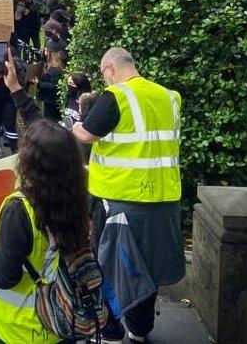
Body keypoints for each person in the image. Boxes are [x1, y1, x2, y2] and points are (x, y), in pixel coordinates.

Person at [71, 47, 184, 343]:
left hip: (120, 201)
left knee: (109, 267)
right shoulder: (170, 97)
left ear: (109, 69)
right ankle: (140, 328)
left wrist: (76, 128)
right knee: (146, 269)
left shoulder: (116, 96)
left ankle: (110, 331)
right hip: (164, 201)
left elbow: (87, 134)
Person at [0, 120, 93, 344]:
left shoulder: (19, 209)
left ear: (28, 163)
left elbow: (4, 276)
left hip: (20, 328)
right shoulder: (80, 196)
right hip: (65, 318)